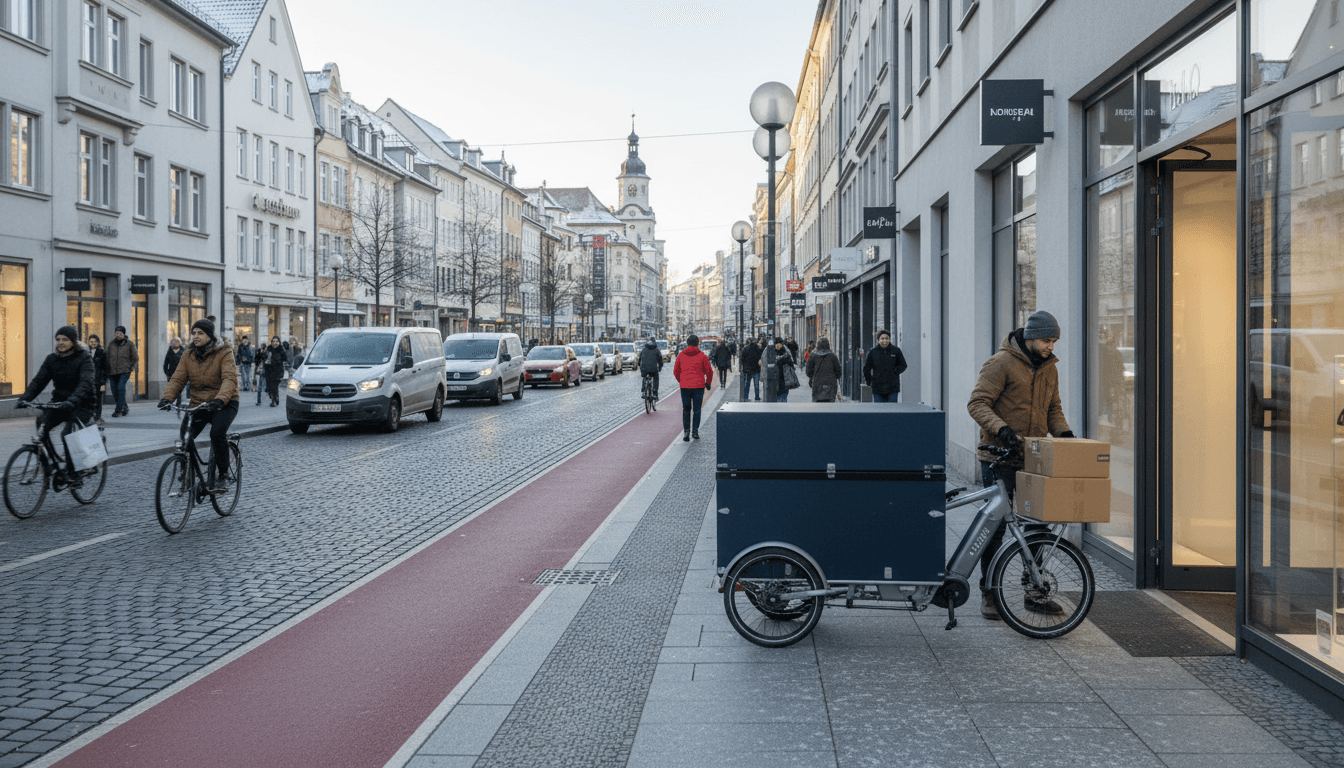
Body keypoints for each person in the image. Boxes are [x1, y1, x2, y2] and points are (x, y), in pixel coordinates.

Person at [967, 310, 1075, 620]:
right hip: (999, 456)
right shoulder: (1000, 363)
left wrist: (1065, 436)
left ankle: (1033, 591)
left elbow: (1053, 409)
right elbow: (977, 403)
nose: (1050, 347)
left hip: (1033, 457)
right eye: (1045, 340)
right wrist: (1001, 429)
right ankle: (989, 593)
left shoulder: (1049, 370)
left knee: (1038, 525)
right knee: (996, 528)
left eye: (1053, 341)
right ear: (1029, 339)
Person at [158, 319, 239, 493]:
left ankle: (223, 474)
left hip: (225, 402)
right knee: (185, 435)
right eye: (193, 333)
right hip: (200, 404)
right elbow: (178, 378)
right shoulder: (188, 355)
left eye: (200, 333)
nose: (195, 336)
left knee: (217, 433)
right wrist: (167, 398)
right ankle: (185, 469)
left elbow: (229, 379)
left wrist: (220, 399)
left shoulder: (224, 352)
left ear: (209, 335)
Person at [17, 326, 97, 486]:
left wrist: (72, 401)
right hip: (59, 402)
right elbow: (39, 381)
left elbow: (85, 383)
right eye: (58, 339)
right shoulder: (52, 359)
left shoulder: (84, 358)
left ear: (73, 341)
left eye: (65, 339)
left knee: (68, 434)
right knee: (42, 422)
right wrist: (24, 398)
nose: (60, 343)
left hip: (82, 403)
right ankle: (50, 463)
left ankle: (74, 471)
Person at [673, 334, 714, 442]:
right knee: (697, 409)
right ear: (698, 343)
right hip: (698, 387)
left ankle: (686, 432)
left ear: (687, 343)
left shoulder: (681, 355)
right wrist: (708, 382)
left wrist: (681, 381)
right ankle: (695, 431)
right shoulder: (702, 356)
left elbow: (676, 371)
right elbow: (709, 371)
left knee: (686, 409)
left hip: (685, 386)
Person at [863, 329, 908, 403]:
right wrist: (869, 381)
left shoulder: (896, 351)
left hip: (892, 388)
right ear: (878, 339)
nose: (885, 340)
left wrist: (895, 371)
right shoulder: (873, 352)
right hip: (877, 388)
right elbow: (866, 368)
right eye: (882, 338)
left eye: (887, 338)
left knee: (891, 411)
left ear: (889, 339)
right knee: (879, 411)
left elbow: (903, 365)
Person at [106, 325, 137, 417]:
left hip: (124, 371)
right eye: (116, 333)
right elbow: (107, 357)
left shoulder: (129, 344)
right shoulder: (111, 344)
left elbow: (135, 358)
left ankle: (118, 409)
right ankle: (125, 406)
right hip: (112, 372)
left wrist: (130, 368)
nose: (118, 334)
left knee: (120, 388)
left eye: (120, 333)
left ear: (124, 334)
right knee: (114, 390)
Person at [805, 338, 841, 402]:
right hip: (831, 385)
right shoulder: (833, 356)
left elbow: (808, 371)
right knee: (830, 406)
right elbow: (839, 372)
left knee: (818, 407)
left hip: (817, 384)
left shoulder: (813, 355)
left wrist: (814, 376)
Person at [763, 337, 795, 402]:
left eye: (779, 343)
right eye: (776, 343)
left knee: (782, 400)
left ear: (782, 344)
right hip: (773, 382)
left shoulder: (786, 353)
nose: (778, 345)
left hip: (783, 382)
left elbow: (791, 365)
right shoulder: (770, 353)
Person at [87, 333, 109, 425]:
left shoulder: (102, 353)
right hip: (88, 381)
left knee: (98, 400)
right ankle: (89, 416)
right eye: (91, 341)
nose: (93, 343)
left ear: (98, 342)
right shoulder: (86, 352)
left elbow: (107, 368)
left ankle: (97, 416)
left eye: (95, 341)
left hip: (99, 381)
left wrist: (103, 382)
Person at [258, 336, 286, 407]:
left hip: (278, 371)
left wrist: (272, 361)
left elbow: (283, 359)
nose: (275, 343)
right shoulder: (269, 349)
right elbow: (264, 357)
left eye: (276, 341)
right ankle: (275, 397)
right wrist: (265, 361)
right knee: (269, 387)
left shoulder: (281, 349)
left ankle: (273, 400)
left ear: (279, 342)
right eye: (273, 341)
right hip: (269, 371)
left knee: (274, 386)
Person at [739, 336, 763, 402]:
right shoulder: (758, 349)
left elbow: (742, 358)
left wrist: (744, 366)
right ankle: (757, 397)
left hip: (748, 370)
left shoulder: (745, 348)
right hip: (756, 369)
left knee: (747, 384)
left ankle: (746, 397)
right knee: (756, 384)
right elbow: (761, 358)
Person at [163, 337, 185, 405]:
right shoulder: (170, 351)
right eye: (173, 342)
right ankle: (169, 404)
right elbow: (166, 363)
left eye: (175, 342)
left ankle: (178, 404)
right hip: (171, 373)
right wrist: (167, 373)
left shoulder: (183, 351)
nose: (174, 343)